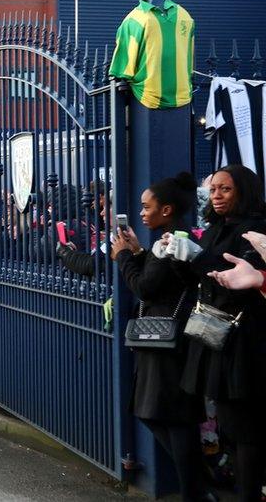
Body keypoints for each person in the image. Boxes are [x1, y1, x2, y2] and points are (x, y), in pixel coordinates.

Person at [109, 173, 213, 501]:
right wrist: (139, 254)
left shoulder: (174, 241)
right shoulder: (164, 241)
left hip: (171, 343)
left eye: (146, 207)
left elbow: (146, 287)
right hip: (163, 341)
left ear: (166, 210)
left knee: (172, 417)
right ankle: (197, 485)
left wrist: (124, 257)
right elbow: (157, 281)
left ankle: (195, 490)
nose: (141, 213)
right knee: (153, 412)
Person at [170, 165, 266, 501]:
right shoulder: (213, 229)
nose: (217, 196)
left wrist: (197, 257)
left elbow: (235, 286)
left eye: (225, 189)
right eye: (213, 190)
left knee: (246, 431)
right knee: (228, 425)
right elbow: (200, 283)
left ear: (244, 190)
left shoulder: (255, 229)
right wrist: (178, 258)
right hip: (213, 337)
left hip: (243, 342)